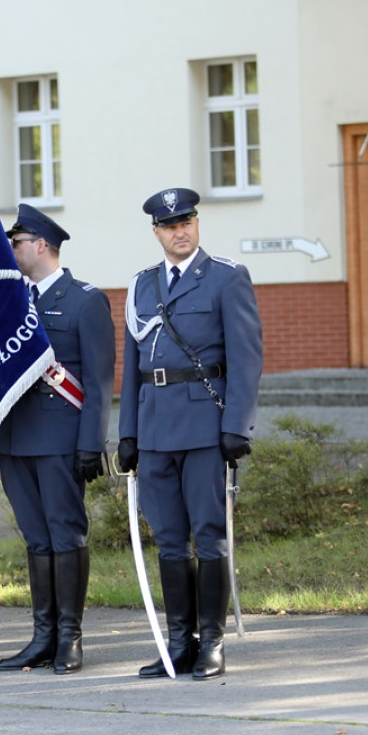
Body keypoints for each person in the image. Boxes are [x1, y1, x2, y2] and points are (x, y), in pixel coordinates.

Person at [117, 187, 263, 681]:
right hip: (155, 428)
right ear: (156, 232)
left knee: (210, 536)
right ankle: (180, 643)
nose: (181, 232)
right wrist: (128, 433)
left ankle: (213, 643)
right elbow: (132, 364)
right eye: (170, 226)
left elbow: (246, 358)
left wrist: (237, 425)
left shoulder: (225, 277)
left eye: (188, 222)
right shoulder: (141, 285)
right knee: (170, 541)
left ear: (196, 225)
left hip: (205, 428)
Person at [0, 205, 115, 675]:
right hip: (16, 439)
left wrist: (92, 443)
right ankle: (41, 636)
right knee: (35, 540)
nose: (10, 249)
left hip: (61, 439)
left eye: (16, 242)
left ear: (40, 245)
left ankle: (69, 637)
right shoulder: (8, 302)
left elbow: (101, 381)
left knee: (65, 536)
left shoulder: (85, 300)